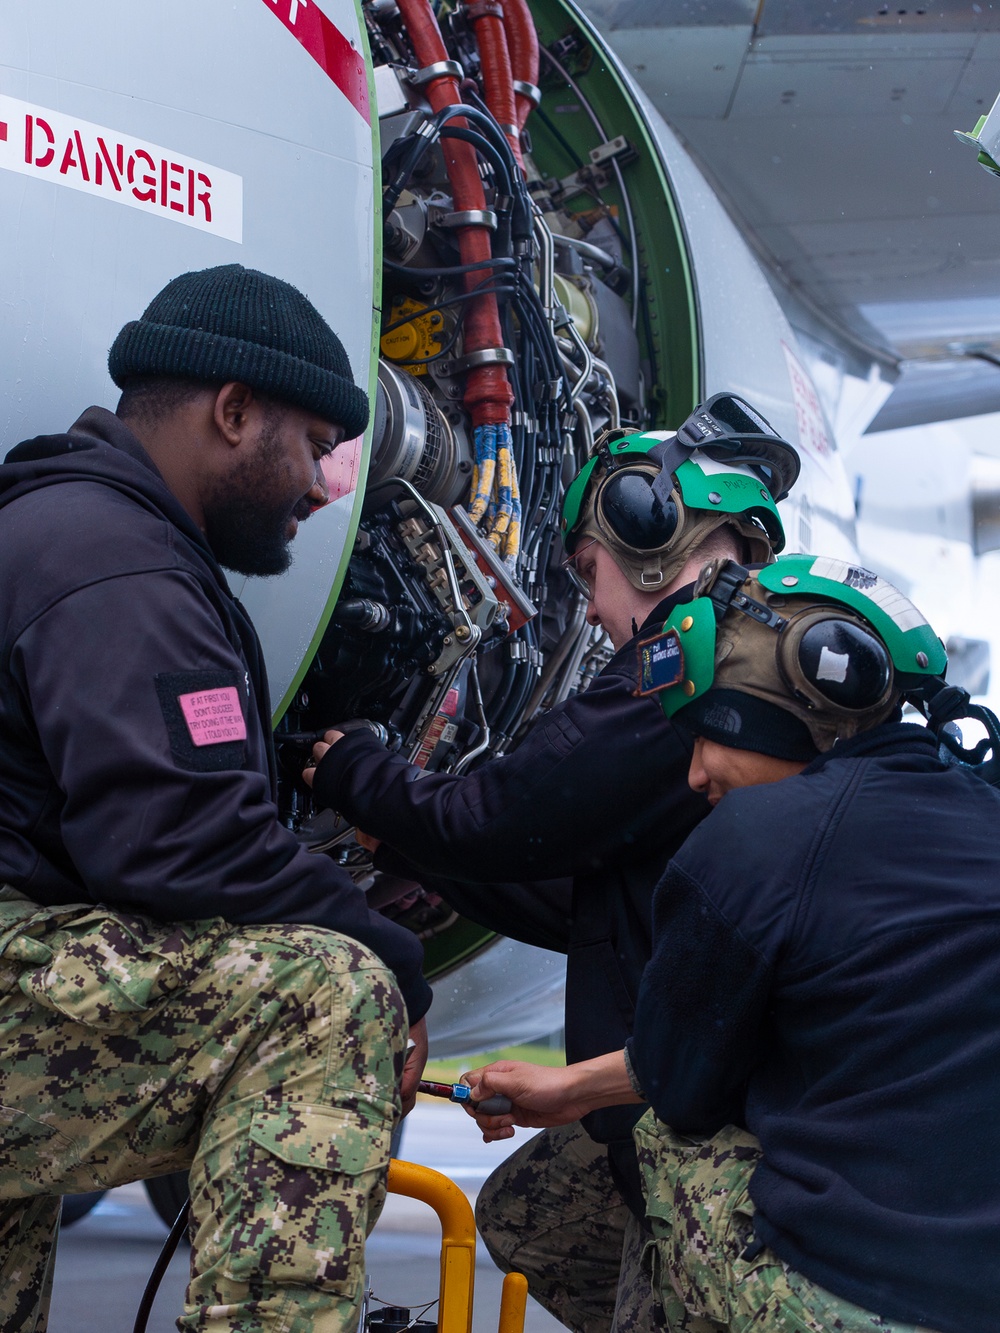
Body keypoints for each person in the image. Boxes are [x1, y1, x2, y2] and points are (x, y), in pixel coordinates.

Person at [303, 396, 800, 1331]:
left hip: (730, 1124)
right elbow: (575, 892)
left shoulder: (692, 667)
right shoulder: (762, 656)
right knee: (533, 1210)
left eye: (588, 572)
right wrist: (401, 836)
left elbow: (507, 815)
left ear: (648, 533)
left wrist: (354, 770)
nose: (596, 613)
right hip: (708, 1088)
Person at [0, 263, 432, 1333]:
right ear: (234, 411)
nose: (325, 484)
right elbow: (178, 842)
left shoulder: (88, 538)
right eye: (317, 445)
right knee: (328, 991)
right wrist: (396, 958)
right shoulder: (112, 561)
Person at [462, 554, 1000, 1333]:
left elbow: (681, 1086)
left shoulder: (755, 836)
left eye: (704, 732)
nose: (693, 773)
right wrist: (571, 1086)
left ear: (766, 709)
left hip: (863, 1300)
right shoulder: (983, 811)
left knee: (669, 1137)